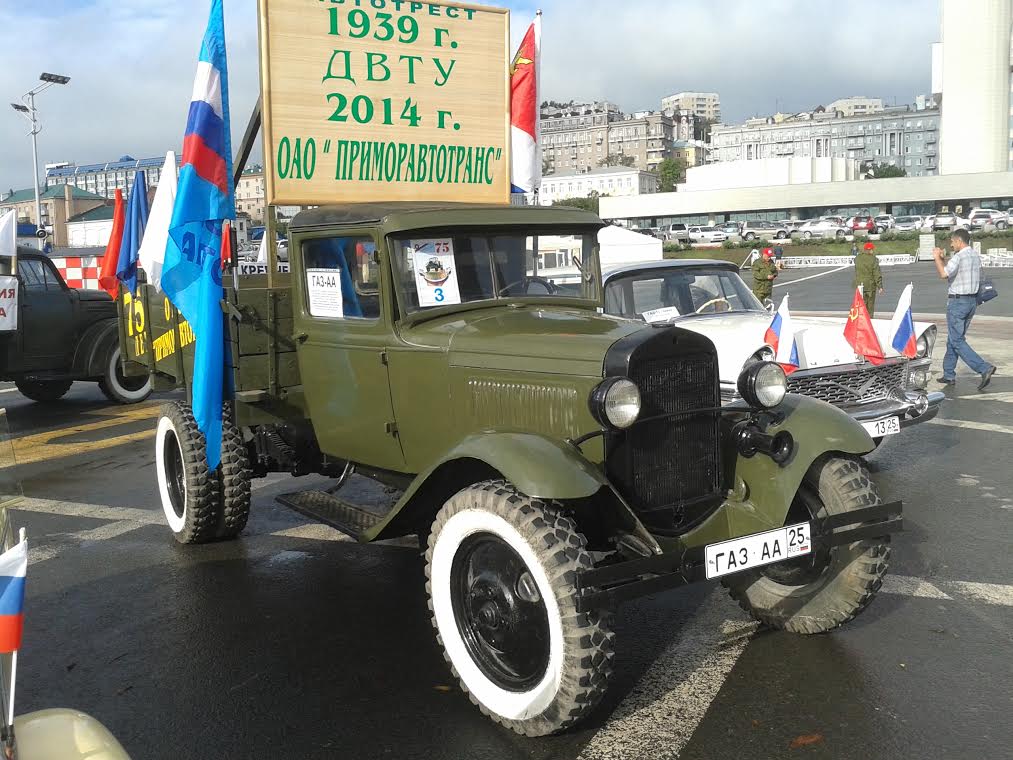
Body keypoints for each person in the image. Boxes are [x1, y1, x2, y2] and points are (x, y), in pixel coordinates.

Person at [932, 228, 996, 390]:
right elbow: (957, 270)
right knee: (954, 338)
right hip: (971, 302)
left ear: (959, 241)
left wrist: (936, 259)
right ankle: (948, 374)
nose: (951, 244)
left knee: (957, 340)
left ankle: (984, 368)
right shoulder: (974, 255)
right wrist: (944, 258)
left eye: (952, 242)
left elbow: (944, 274)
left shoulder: (959, 256)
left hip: (958, 303)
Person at [853, 241, 884, 315]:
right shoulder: (874, 259)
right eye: (872, 249)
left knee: (860, 306)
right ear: (870, 250)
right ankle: (869, 322)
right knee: (870, 307)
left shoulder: (857, 258)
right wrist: (880, 286)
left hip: (859, 285)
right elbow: (876, 273)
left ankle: (861, 323)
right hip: (870, 286)